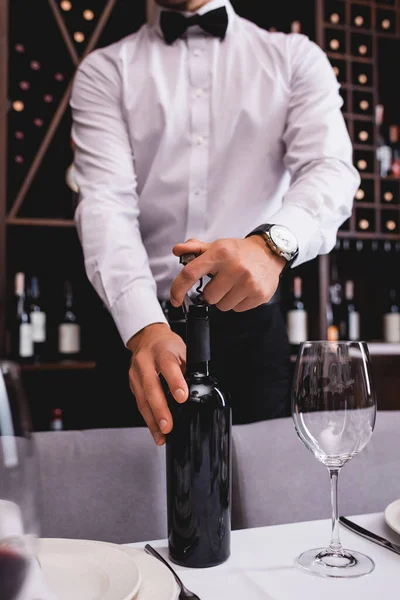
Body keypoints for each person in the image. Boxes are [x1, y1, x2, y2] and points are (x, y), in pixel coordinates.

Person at [70, 0, 359, 443]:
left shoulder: (295, 58)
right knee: (132, 501)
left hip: (253, 331)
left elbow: (329, 169)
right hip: (143, 332)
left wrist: (269, 246)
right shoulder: (105, 70)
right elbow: (105, 204)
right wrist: (144, 329)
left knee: (268, 502)